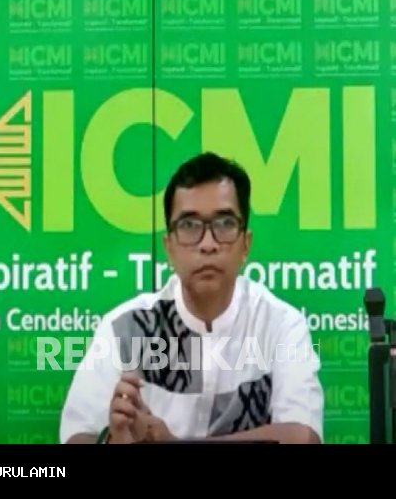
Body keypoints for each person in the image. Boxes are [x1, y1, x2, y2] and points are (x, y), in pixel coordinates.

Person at [59, 152, 323, 444]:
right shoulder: (126, 326)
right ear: (169, 247)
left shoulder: (281, 324)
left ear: (245, 244)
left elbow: (304, 437)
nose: (208, 244)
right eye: (189, 226)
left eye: (224, 224)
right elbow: (77, 436)